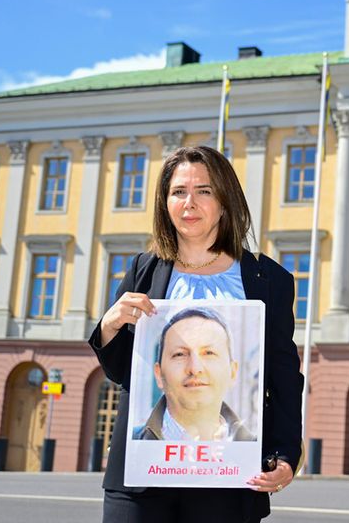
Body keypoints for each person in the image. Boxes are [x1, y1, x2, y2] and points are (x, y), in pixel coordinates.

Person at [90, 145, 303, 523]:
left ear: (225, 201)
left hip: (228, 475)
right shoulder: (145, 269)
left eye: (204, 191)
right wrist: (109, 326)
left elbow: (284, 377)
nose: (190, 203)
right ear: (165, 203)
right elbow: (125, 374)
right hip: (141, 479)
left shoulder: (268, 279)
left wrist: (286, 456)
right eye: (178, 192)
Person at [137, 306, 255, 442]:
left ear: (232, 372)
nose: (194, 368)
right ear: (158, 374)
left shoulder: (259, 452)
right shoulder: (130, 445)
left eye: (209, 353)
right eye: (179, 354)